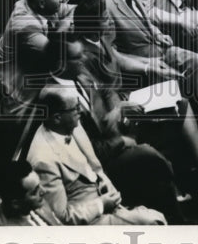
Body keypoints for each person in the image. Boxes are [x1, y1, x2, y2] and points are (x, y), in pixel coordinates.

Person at [72, 0, 198, 192]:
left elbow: (120, 60)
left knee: (180, 100)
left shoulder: (100, 38)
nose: (110, 22)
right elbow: (101, 110)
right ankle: (181, 184)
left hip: (125, 98)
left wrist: (153, 68)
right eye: (105, 19)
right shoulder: (84, 58)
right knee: (177, 104)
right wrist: (122, 106)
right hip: (118, 111)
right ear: (92, 24)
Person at [45, 33, 187, 220]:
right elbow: (87, 151)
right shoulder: (56, 99)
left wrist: (117, 108)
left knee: (176, 108)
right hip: (103, 160)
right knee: (150, 156)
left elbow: (105, 89)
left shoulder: (79, 73)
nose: (84, 59)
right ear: (60, 64)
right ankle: (177, 204)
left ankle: (175, 192)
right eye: (77, 57)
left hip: (115, 130)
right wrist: (121, 141)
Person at [26, 86, 166, 225]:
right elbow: (61, 217)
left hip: (105, 195)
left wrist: (104, 180)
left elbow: (93, 165)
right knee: (153, 221)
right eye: (75, 108)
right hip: (91, 221)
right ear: (57, 118)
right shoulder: (43, 160)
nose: (80, 111)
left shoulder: (68, 123)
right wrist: (101, 205)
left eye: (79, 105)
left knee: (154, 195)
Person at [0, 0, 75, 116]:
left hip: (28, 75)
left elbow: (75, 9)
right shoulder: (24, 25)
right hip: (5, 92)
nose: (61, 0)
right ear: (42, 2)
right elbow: (55, 53)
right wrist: (64, 27)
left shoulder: (37, 4)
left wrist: (66, 21)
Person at [0, 160, 63, 226]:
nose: (44, 191)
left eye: (39, 185)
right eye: (35, 192)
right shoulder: (10, 232)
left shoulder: (36, 202)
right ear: (16, 204)